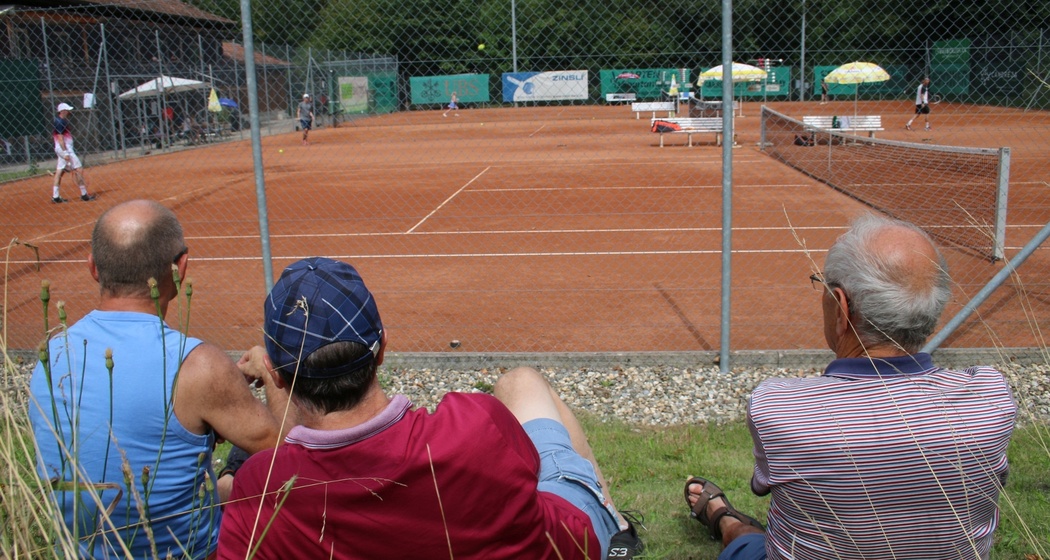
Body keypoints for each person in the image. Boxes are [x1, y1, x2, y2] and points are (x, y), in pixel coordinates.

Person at [217, 257, 644, 560]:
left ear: (275, 375)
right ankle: (617, 526)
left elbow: (300, 450)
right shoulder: (474, 425)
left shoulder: (259, 492)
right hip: (569, 545)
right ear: (381, 349)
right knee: (522, 383)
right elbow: (527, 479)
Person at [683, 213, 1016, 560]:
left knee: (748, 543)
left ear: (842, 308)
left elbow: (764, 484)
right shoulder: (990, 397)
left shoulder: (779, 406)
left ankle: (725, 520)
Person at [29, 199, 289, 559]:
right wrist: (270, 369)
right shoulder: (198, 366)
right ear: (181, 268)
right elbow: (289, 458)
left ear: (92, 268)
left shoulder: (51, 356)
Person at [50, 103, 97, 203]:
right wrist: (66, 152)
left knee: (59, 172)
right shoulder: (60, 121)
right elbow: (60, 138)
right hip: (66, 150)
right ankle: (84, 195)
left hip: (62, 150)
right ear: (62, 111)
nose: (69, 111)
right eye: (67, 110)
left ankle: (55, 196)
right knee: (78, 169)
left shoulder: (61, 120)